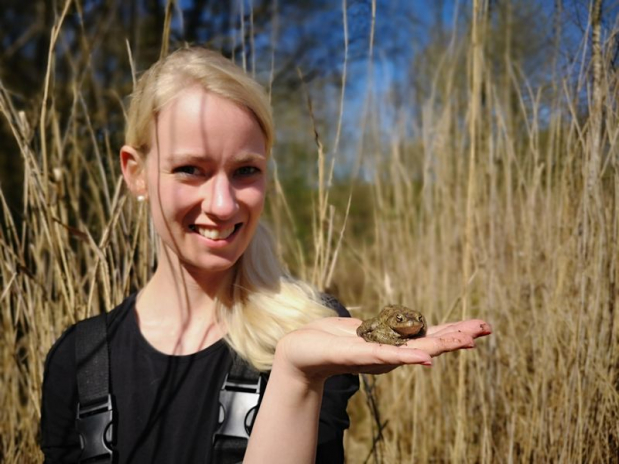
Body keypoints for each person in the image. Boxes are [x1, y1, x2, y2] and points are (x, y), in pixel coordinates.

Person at [40, 46, 492, 464]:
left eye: (245, 171)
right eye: (190, 170)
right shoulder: (79, 359)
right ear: (135, 174)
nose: (222, 204)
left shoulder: (315, 329)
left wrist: (298, 378)